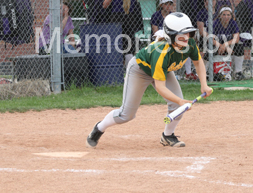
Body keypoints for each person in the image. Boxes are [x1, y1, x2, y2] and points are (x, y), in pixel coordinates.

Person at [86, 12, 213, 148]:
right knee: (126, 115)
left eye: (189, 33)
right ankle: (99, 128)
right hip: (140, 70)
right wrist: (180, 100)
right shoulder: (161, 51)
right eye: (182, 34)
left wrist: (204, 85)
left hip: (163, 70)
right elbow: (160, 87)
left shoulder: (189, 44)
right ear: (170, 36)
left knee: (177, 107)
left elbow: (198, 62)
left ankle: (167, 136)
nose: (187, 37)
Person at [103, 0, 143, 67]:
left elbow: (105, 5)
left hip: (116, 19)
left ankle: (118, 66)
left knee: (116, 42)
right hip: (129, 19)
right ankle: (130, 68)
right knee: (128, 44)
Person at [201, 6, 244, 80]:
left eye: (228, 15)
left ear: (231, 16)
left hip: (228, 46)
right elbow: (210, 39)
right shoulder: (215, 23)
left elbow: (236, 39)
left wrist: (225, 45)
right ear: (220, 15)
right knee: (209, 48)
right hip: (217, 45)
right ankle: (203, 73)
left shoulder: (233, 23)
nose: (226, 16)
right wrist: (221, 46)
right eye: (224, 14)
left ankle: (238, 72)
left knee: (239, 46)